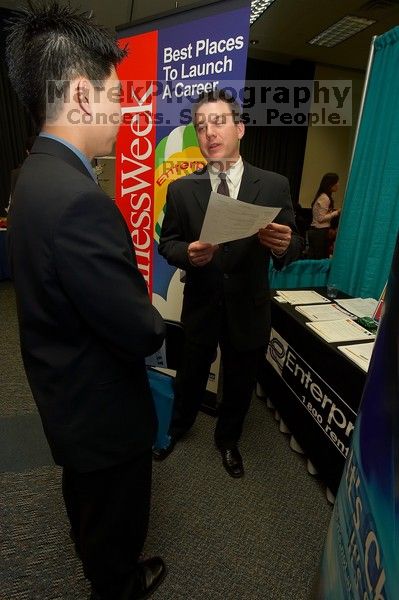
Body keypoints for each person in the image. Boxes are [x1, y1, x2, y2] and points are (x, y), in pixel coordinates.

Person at [6, 3, 166, 599]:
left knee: (89, 507)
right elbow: (139, 329)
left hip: (64, 393)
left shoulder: (32, 177)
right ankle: (117, 583)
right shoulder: (78, 199)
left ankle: (105, 565)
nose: (124, 112)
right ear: (80, 93)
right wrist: (148, 310)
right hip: (101, 410)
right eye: (117, 96)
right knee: (114, 516)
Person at [153, 89, 303, 477]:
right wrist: (188, 252)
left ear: (240, 127)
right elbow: (167, 244)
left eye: (218, 122)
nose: (209, 133)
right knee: (189, 375)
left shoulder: (273, 185)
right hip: (202, 304)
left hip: (249, 307)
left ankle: (228, 441)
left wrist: (284, 245)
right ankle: (177, 428)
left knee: (238, 384)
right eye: (201, 126)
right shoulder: (183, 189)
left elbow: (295, 239)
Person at [308, 173, 340, 259]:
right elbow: (321, 218)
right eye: (336, 182)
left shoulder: (322, 196)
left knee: (315, 258)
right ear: (330, 184)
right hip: (319, 232)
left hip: (316, 231)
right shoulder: (325, 198)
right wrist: (337, 212)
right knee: (319, 259)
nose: (338, 184)